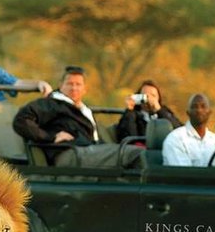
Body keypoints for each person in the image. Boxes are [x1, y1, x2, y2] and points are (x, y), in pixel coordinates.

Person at [12, 66, 143, 168]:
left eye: (78, 84)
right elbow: (21, 121)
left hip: (91, 151)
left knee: (140, 152)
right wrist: (50, 137)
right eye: (69, 83)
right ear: (61, 85)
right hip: (70, 153)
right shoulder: (52, 103)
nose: (74, 88)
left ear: (85, 89)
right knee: (136, 154)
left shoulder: (83, 109)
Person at [162, 93, 215, 167]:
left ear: (209, 112)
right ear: (188, 112)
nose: (199, 110)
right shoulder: (175, 139)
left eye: (203, 106)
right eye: (194, 107)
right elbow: (183, 174)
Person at [115, 80, 182, 141]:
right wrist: (129, 111)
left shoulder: (164, 112)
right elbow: (127, 137)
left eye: (153, 96)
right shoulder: (133, 114)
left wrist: (159, 110)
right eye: (145, 95)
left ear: (158, 99)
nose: (148, 99)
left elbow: (179, 131)